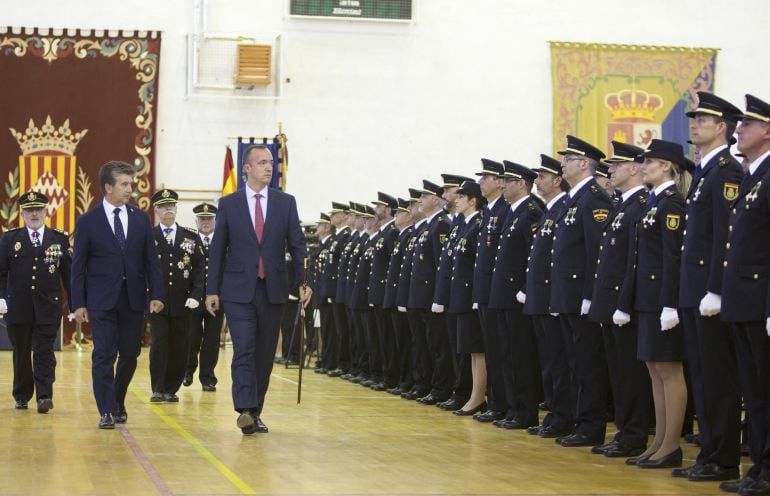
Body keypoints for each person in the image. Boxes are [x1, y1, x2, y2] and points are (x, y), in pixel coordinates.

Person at [206, 144, 309, 435]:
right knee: (244, 348)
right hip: (237, 291)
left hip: (273, 289)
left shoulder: (285, 202)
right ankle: (245, 408)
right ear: (247, 168)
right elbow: (218, 250)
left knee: (264, 354)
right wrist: (211, 290)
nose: (269, 167)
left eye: (271, 163)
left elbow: (298, 246)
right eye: (262, 162)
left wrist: (304, 282)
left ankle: (256, 411)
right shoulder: (229, 203)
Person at [676, 92, 744, 482]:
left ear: (722, 127)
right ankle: (709, 453)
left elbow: (726, 236)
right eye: (694, 119)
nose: (694, 124)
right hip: (695, 291)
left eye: (703, 120)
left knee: (718, 378)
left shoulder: (726, 172)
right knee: (702, 375)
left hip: (709, 294)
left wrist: (716, 289)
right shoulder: (707, 172)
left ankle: (723, 457)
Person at [71, 160, 165, 429]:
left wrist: (156, 293)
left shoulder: (140, 218)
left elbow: (151, 260)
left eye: (131, 184)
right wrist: (78, 303)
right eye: (124, 184)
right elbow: (78, 266)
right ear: (108, 187)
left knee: (130, 353)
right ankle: (106, 410)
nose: (130, 189)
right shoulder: (88, 221)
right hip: (101, 300)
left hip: (133, 298)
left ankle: (117, 399)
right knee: (103, 353)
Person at [720, 94, 770, 496]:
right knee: (753, 392)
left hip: (761, 300)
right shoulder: (753, 176)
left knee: (766, 390)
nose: (738, 130)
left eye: (747, 125)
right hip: (743, 300)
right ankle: (759, 466)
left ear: (767, 131)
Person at [629, 139, 690, 469]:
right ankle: (659, 441)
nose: (644, 166)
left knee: (669, 369)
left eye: (649, 161)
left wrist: (670, 304)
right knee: (654, 370)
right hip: (648, 299)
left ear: (666, 165)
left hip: (662, 301)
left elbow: (672, 258)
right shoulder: (653, 203)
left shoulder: (671, 204)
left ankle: (671, 444)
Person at [551, 135, 614, 448]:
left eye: (568, 159)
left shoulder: (593, 198)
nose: (562, 164)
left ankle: (591, 425)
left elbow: (596, 253)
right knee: (574, 361)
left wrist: (591, 295)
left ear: (584, 163)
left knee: (588, 363)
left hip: (581, 297)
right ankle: (580, 420)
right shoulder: (573, 199)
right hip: (567, 295)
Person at [589, 141, 651, 458]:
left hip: (622, 305)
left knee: (630, 374)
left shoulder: (640, 205)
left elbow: (633, 262)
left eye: (616, 165)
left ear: (634, 169)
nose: (609, 170)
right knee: (618, 373)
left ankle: (634, 435)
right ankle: (625, 432)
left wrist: (622, 304)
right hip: (610, 303)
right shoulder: (622, 204)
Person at [0, 191, 71, 413]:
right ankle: (22, 394)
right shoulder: (10, 239)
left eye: (38, 209)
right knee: (21, 351)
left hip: (48, 306)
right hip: (18, 306)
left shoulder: (58, 239)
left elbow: (68, 275)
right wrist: (0, 298)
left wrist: (76, 303)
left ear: (45, 211)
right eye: (29, 210)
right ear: (22, 213)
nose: (34, 214)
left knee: (44, 350)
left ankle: (44, 396)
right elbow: (1, 273)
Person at [489, 161, 543, 430]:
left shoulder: (531, 211)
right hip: (504, 295)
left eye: (509, 181)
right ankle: (513, 408)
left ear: (521, 184)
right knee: (507, 354)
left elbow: (534, 254)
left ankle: (525, 411)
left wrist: (525, 289)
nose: (504, 185)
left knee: (521, 357)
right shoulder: (512, 212)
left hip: (517, 296)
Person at [522, 154, 572, 439]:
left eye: (541, 176)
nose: (537, 181)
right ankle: (554, 414)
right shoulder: (549, 210)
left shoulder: (562, 207)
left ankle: (562, 416)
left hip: (553, 296)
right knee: (550, 359)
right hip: (543, 296)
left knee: (558, 360)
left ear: (556, 180)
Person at [147, 189, 204, 403]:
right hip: (158, 303)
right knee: (159, 345)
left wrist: (196, 295)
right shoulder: (149, 237)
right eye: (163, 206)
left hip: (184, 302)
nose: (167, 209)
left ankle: (172, 388)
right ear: (156, 210)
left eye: (171, 206)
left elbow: (199, 269)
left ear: (176, 209)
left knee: (180, 346)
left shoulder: (189, 236)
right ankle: (158, 388)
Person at [471, 159, 509, 423]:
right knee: (494, 351)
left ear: (500, 182)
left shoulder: (505, 210)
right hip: (487, 292)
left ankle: (503, 403)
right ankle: (497, 402)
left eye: (486, 177)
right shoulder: (489, 211)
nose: (481, 182)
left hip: (501, 293)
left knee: (504, 351)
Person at [433, 173, 474, 411]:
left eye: (458, 194)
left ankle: (465, 392)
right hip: (452, 294)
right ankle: (459, 391)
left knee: (464, 349)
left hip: (465, 295)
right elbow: (446, 263)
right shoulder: (458, 223)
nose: (451, 198)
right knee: (453, 346)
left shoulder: (469, 223)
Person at [410, 180, 453, 405]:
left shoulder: (441, 225)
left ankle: (440, 388)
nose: (420, 201)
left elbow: (440, 265)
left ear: (435, 199)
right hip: (421, 296)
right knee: (427, 344)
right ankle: (427, 384)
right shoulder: (429, 225)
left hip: (431, 297)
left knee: (438, 346)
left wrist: (439, 297)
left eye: (424, 197)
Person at [447, 180, 487, 415]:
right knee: (471, 349)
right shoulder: (464, 226)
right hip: (461, 294)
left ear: (473, 200)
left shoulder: (478, 225)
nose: (457, 200)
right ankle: (475, 395)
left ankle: (478, 396)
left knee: (477, 347)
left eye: (462, 197)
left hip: (471, 294)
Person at [184, 202, 223, 392]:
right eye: (202, 218)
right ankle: (188, 370)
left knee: (212, 339)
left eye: (209, 218)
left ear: (215, 220)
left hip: (217, 299)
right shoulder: (188, 241)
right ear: (196, 220)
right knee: (191, 337)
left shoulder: (223, 241)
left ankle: (207, 376)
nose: (205, 222)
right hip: (194, 298)